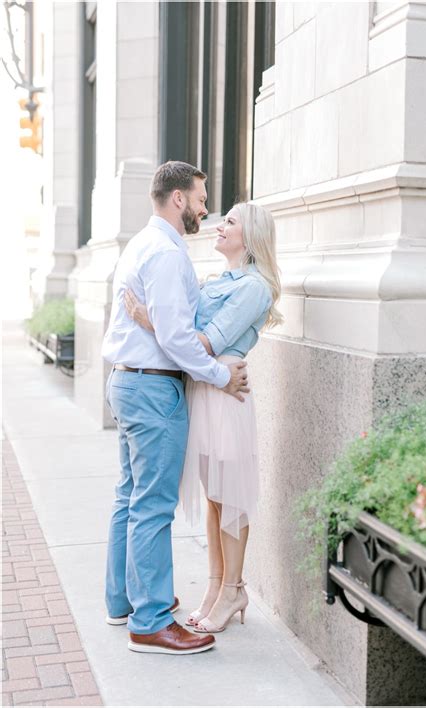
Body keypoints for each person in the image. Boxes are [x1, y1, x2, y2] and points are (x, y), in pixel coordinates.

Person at [101, 161, 249, 655]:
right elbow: (179, 338)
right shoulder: (166, 253)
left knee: (130, 496)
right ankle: (150, 621)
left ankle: (124, 600)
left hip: (127, 382)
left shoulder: (142, 244)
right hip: (152, 388)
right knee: (153, 505)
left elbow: (161, 326)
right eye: (202, 199)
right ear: (179, 198)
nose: (206, 211)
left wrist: (154, 324)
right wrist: (221, 376)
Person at [124, 201, 283, 633]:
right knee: (214, 497)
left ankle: (234, 588)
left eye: (229, 221)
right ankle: (216, 587)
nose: (219, 225)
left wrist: (147, 319)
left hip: (225, 393)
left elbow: (206, 342)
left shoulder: (254, 287)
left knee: (230, 497)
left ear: (249, 238)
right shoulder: (221, 280)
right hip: (207, 388)